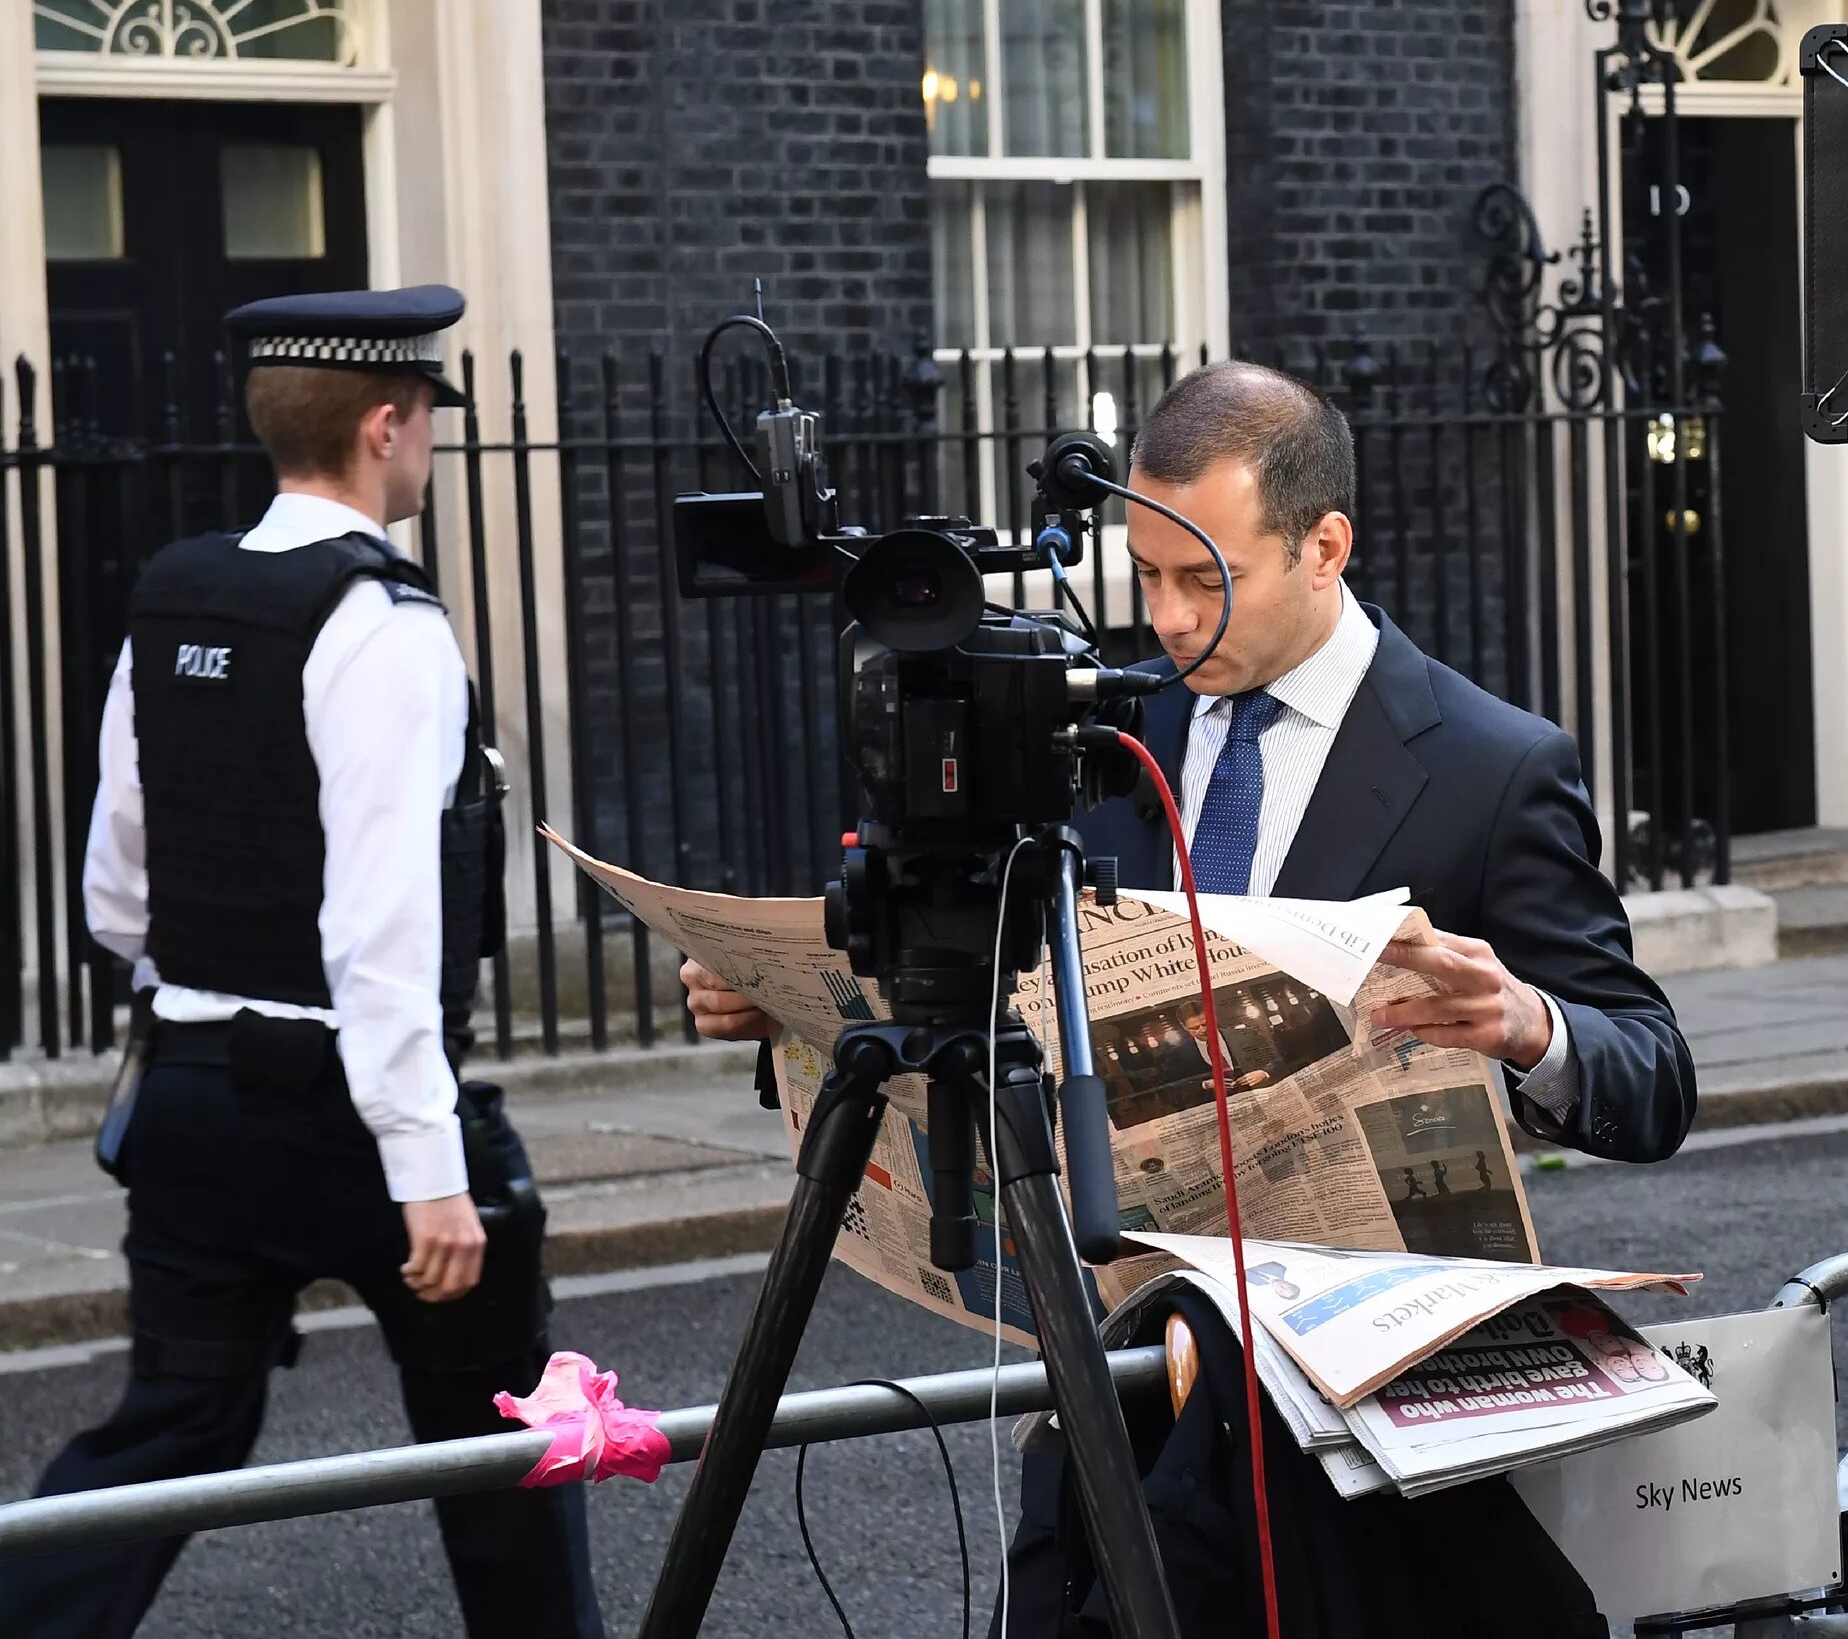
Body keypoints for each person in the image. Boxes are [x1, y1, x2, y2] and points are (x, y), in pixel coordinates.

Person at [682, 359, 1695, 1162]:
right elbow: (985, 976)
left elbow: (1652, 1075)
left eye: (1208, 579)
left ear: (1325, 548)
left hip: (1363, 1366)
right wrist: (798, 1007)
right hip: (1120, 1347)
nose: (1168, 619)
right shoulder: (1085, 721)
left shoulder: (1499, 765)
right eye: (1147, 574)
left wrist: (1531, 1024)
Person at [0, 289, 599, 1639]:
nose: (430, 448)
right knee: (500, 1440)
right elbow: (382, 932)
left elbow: (114, 887)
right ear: (386, 426)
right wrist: (427, 1171)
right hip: (349, 1109)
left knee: (169, 1431)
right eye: (428, 423)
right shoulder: (384, 626)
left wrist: (210, 987)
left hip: (190, 1096)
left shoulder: (170, 598)